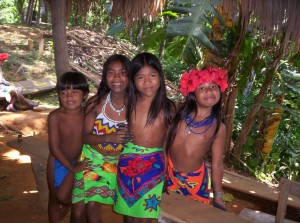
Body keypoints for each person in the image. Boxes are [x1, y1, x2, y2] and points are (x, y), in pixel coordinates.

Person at [113, 52, 175, 223]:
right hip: (127, 163)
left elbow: (168, 143)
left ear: (160, 77)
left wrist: (166, 172)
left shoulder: (169, 107)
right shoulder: (129, 102)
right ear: (133, 80)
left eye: (152, 76)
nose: (147, 82)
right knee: (128, 213)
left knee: (146, 215)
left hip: (154, 165)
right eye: (140, 77)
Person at [71, 54, 133, 223]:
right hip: (91, 159)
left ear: (130, 76)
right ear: (105, 77)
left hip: (118, 163)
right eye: (111, 73)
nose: (117, 78)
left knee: (123, 208)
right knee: (80, 212)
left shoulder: (137, 106)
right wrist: (109, 137)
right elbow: (85, 137)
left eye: (123, 72)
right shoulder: (96, 103)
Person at [165, 67, 228, 211]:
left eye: (213, 86)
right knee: (165, 213)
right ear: (192, 93)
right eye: (202, 87)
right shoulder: (176, 112)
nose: (209, 91)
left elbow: (217, 165)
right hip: (168, 173)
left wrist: (218, 196)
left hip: (195, 181)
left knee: (190, 216)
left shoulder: (218, 127)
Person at [47, 71, 91, 223]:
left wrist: (76, 167)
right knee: (54, 198)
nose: (69, 97)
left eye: (75, 92)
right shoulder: (55, 116)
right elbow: (54, 148)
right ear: (58, 95)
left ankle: (68, 207)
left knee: (64, 198)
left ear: (84, 95)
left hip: (77, 162)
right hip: (57, 162)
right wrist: (72, 168)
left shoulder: (88, 115)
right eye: (64, 92)